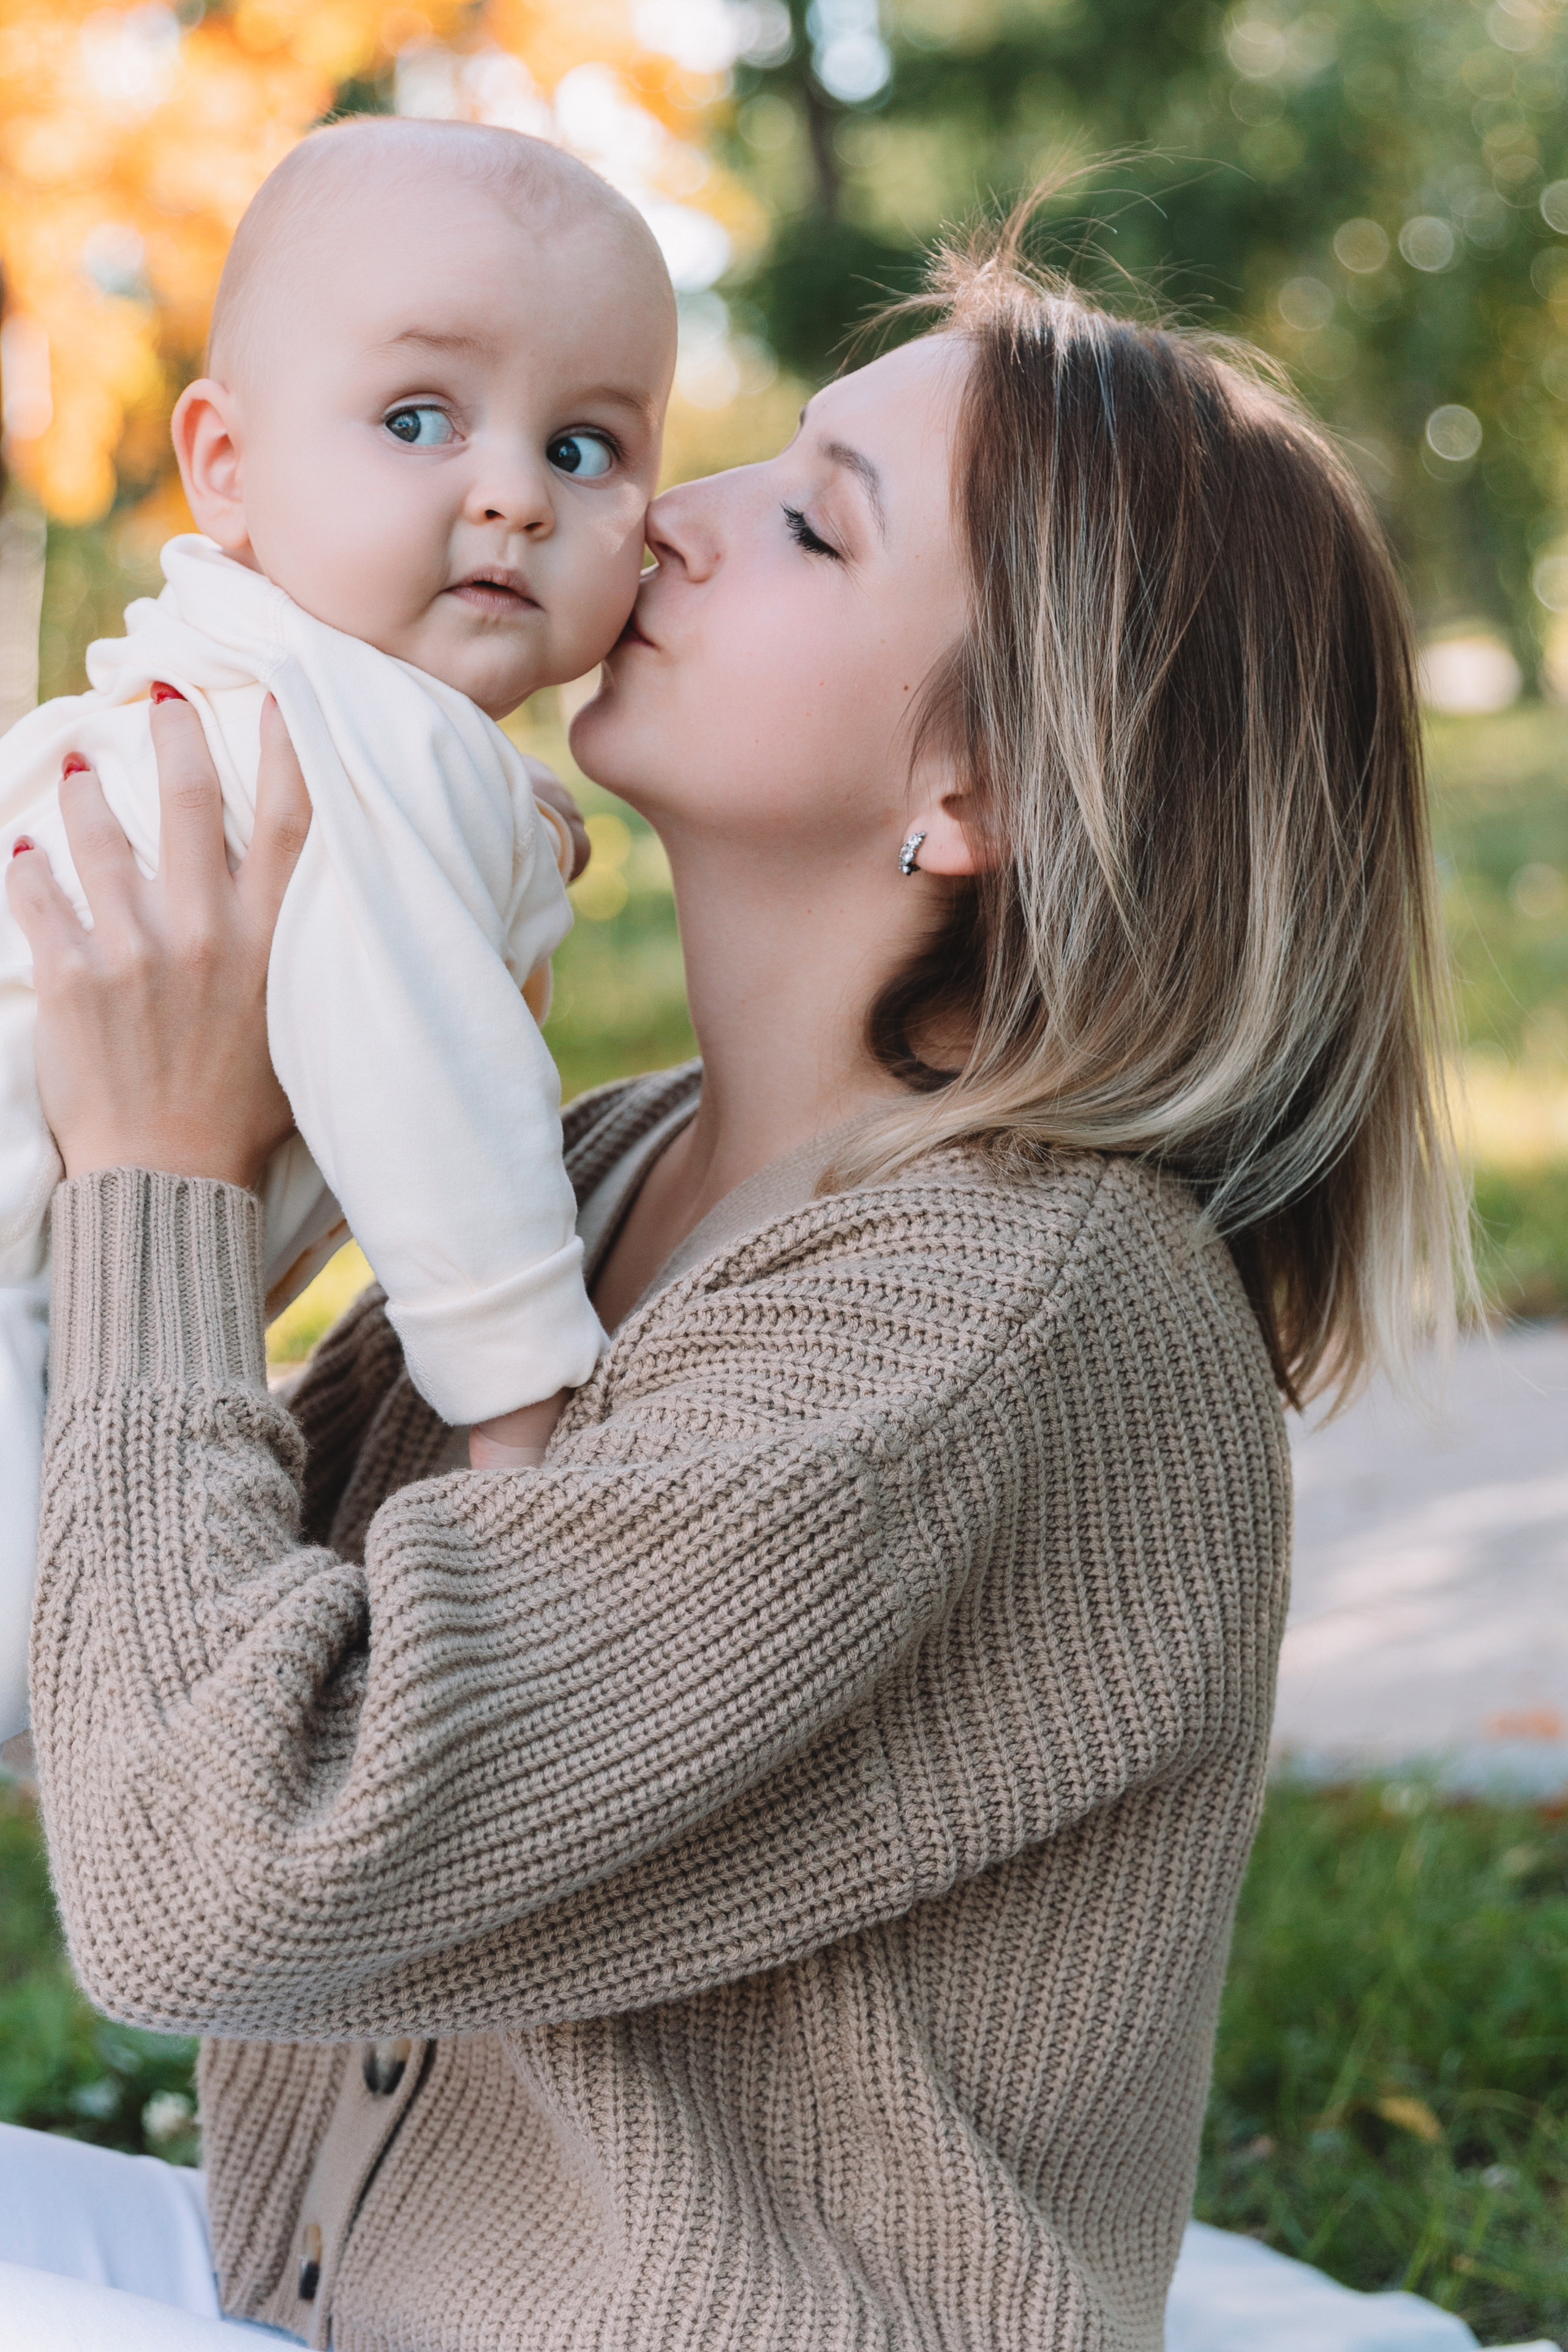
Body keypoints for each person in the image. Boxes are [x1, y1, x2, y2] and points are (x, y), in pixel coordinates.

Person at [2, 216, 1466, 2351]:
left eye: (808, 523)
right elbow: (130, 1676)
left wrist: (161, 1171)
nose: (666, 517)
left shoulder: (990, 1311)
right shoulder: (613, 1168)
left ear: (974, 789)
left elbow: (209, 1880)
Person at [0, 116, 677, 1741]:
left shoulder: (274, 695)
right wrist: (525, 1410)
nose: (512, 494)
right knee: (56, 1664)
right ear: (226, 466)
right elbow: (431, 1088)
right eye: (418, 419)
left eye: (584, 447)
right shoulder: (368, 738)